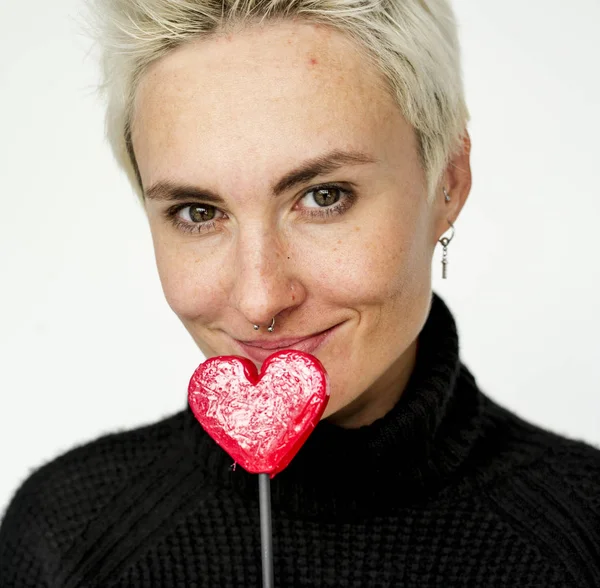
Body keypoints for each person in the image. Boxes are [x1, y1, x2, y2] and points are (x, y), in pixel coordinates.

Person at [1, 0, 599, 585]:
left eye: (323, 197)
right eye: (198, 211)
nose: (260, 299)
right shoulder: (66, 538)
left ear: (448, 182)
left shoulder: (583, 538)